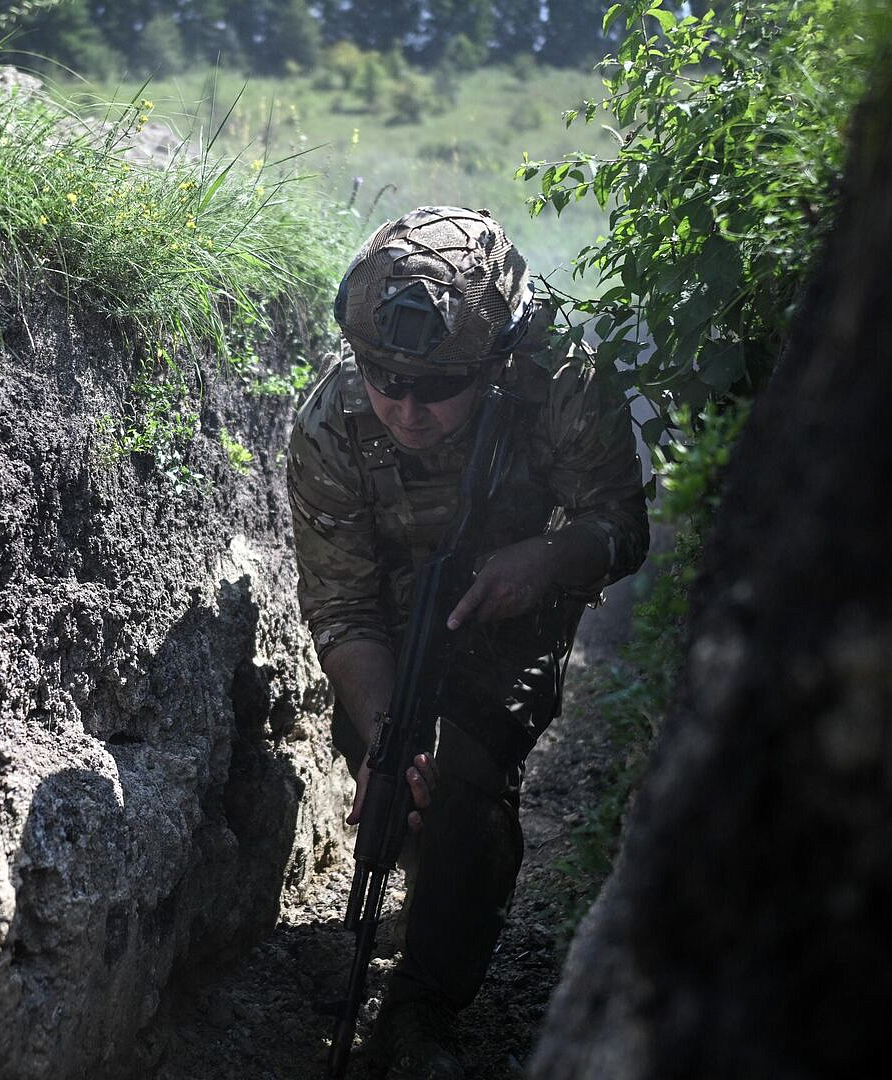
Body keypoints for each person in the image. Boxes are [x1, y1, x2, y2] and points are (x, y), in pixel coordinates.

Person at [288, 206, 649, 1079]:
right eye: (385, 379)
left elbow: (621, 526)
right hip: (396, 607)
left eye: (437, 387)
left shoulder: (562, 381)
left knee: (474, 774)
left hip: (515, 596)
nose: (407, 409)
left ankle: (426, 1004)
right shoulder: (329, 425)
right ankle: (433, 876)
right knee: (391, 760)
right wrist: (386, 737)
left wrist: (548, 558)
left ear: (492, 366)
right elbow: (342, 606)